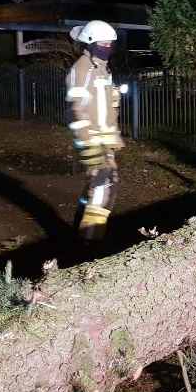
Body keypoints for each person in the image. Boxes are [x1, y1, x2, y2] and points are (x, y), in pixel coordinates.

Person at [66, 20, 124, 250]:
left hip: (102, 139)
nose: (107, 47)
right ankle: (88, 242)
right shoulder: (83, 69)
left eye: (110, 43)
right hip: (90, 139)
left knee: (109, 183)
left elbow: (107, 110)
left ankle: (89, 232)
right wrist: (88, 143)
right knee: (101, 186)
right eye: (103, 43)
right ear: (90, 43)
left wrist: (111, 142)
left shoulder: (102, 69)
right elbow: (77, 109)